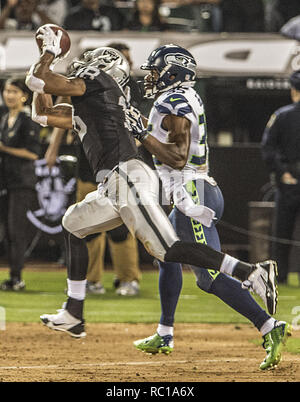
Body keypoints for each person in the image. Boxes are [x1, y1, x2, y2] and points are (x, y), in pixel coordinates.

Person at [25, 26, 277, 344]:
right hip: (112, 183)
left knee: (166, 249)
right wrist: (42, 60)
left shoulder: (99, 82)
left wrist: (49, 51)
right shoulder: (95, 101)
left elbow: (39, 80)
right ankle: (74, 312)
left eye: (90, 60)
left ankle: (249, 272)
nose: (82, 63)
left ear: (104, 68)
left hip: (128, 176)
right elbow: (41, 111)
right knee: (73, 224)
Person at [125, 44, 291, 370]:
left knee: (209, 278)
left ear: (172, 72)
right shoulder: (180, 96)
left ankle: (268, 320)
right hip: (192, 190)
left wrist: (142, 132)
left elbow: (177, 156)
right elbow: (170, 137)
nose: (151, 76)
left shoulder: (174, 100)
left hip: (193, 197)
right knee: (165, 254)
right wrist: (145, 126)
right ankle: (165, 331)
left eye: (156, 71)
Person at [44, 43, 143, 296]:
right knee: (86, 226)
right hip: (89, 160)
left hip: (117, 162)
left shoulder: (130, 88)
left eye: (128, 58)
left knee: (122, 228)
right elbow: (61, 109)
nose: (127, 64)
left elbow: (141, 126)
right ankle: (91, 279)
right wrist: (53, 147)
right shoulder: (85, 83)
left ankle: (128, 278)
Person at [0, 78, 41, 290]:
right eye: (7, 91)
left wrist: (4, 149)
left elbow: (33, 154)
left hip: (22, 182)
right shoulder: (6, 117)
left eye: (14, 91)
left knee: (16, 231)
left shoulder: (27, 119)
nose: (9, 95)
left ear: (24, 95)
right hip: (6, 181)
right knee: (7, 231)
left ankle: (17, 277)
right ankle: (12, 276)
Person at [261, 70, 300, 285]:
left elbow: (267, 148)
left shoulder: (282, 115)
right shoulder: (284, 115)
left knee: (281, 232)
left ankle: (280, 275)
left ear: (293, 90)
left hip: (288, 180)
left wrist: (281, 172)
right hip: (290, 178)